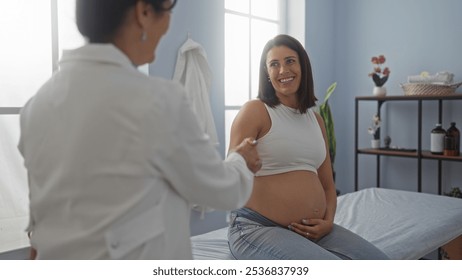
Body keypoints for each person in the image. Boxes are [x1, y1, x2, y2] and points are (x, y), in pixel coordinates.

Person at [18, 0, 261, 260]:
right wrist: (240, 159)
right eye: (168, 12)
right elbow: (222, 191)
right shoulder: (156, 100)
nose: (167, 26)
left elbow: (40, 225)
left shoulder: (37, 105)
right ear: (144, 12)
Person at [227, 34, 390, 260]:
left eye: (290, 61)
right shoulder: (255, 110)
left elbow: (327, 186)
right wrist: (242, 164)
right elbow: (229, 175)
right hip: (257, 227)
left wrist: (328, 222)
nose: (283, 70)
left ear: (303, 66)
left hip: (313, 230)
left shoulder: (316, 120)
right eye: (274, 64)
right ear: (267, 73)